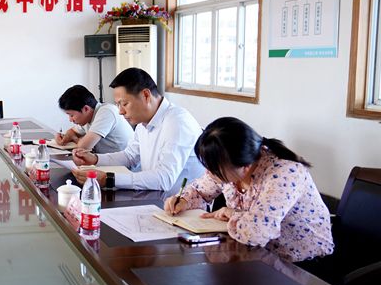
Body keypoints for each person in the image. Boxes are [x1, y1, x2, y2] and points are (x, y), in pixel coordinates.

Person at [163, 117, 334, 263]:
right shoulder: (232, 166)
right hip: (256, 255)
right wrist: (183, 200)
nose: (208, 173)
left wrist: (231, 214)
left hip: (302, 265)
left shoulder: (284, 174)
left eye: (214, 168)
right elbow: (200, 190)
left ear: (245, 166)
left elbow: (257, 232)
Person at [72, 68, 204, 191]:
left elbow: (164, 179)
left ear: (146, 95)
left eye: (124, 104)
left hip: (182, 205)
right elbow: (129, 156)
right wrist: (95, 159)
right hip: (156, 199)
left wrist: (109, 179)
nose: (120, 111)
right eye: (118, 105)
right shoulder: (142, 124)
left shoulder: (177, 122)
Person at [55, 84, 133, 153]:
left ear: (86, 109)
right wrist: (66, 138)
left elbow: (83, 147)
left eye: (71, 115)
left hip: (124, 164)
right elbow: (71, 131)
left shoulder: (106, 112)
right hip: (108, 161)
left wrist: (77, 139)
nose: (70, 120)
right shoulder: (87, 118)